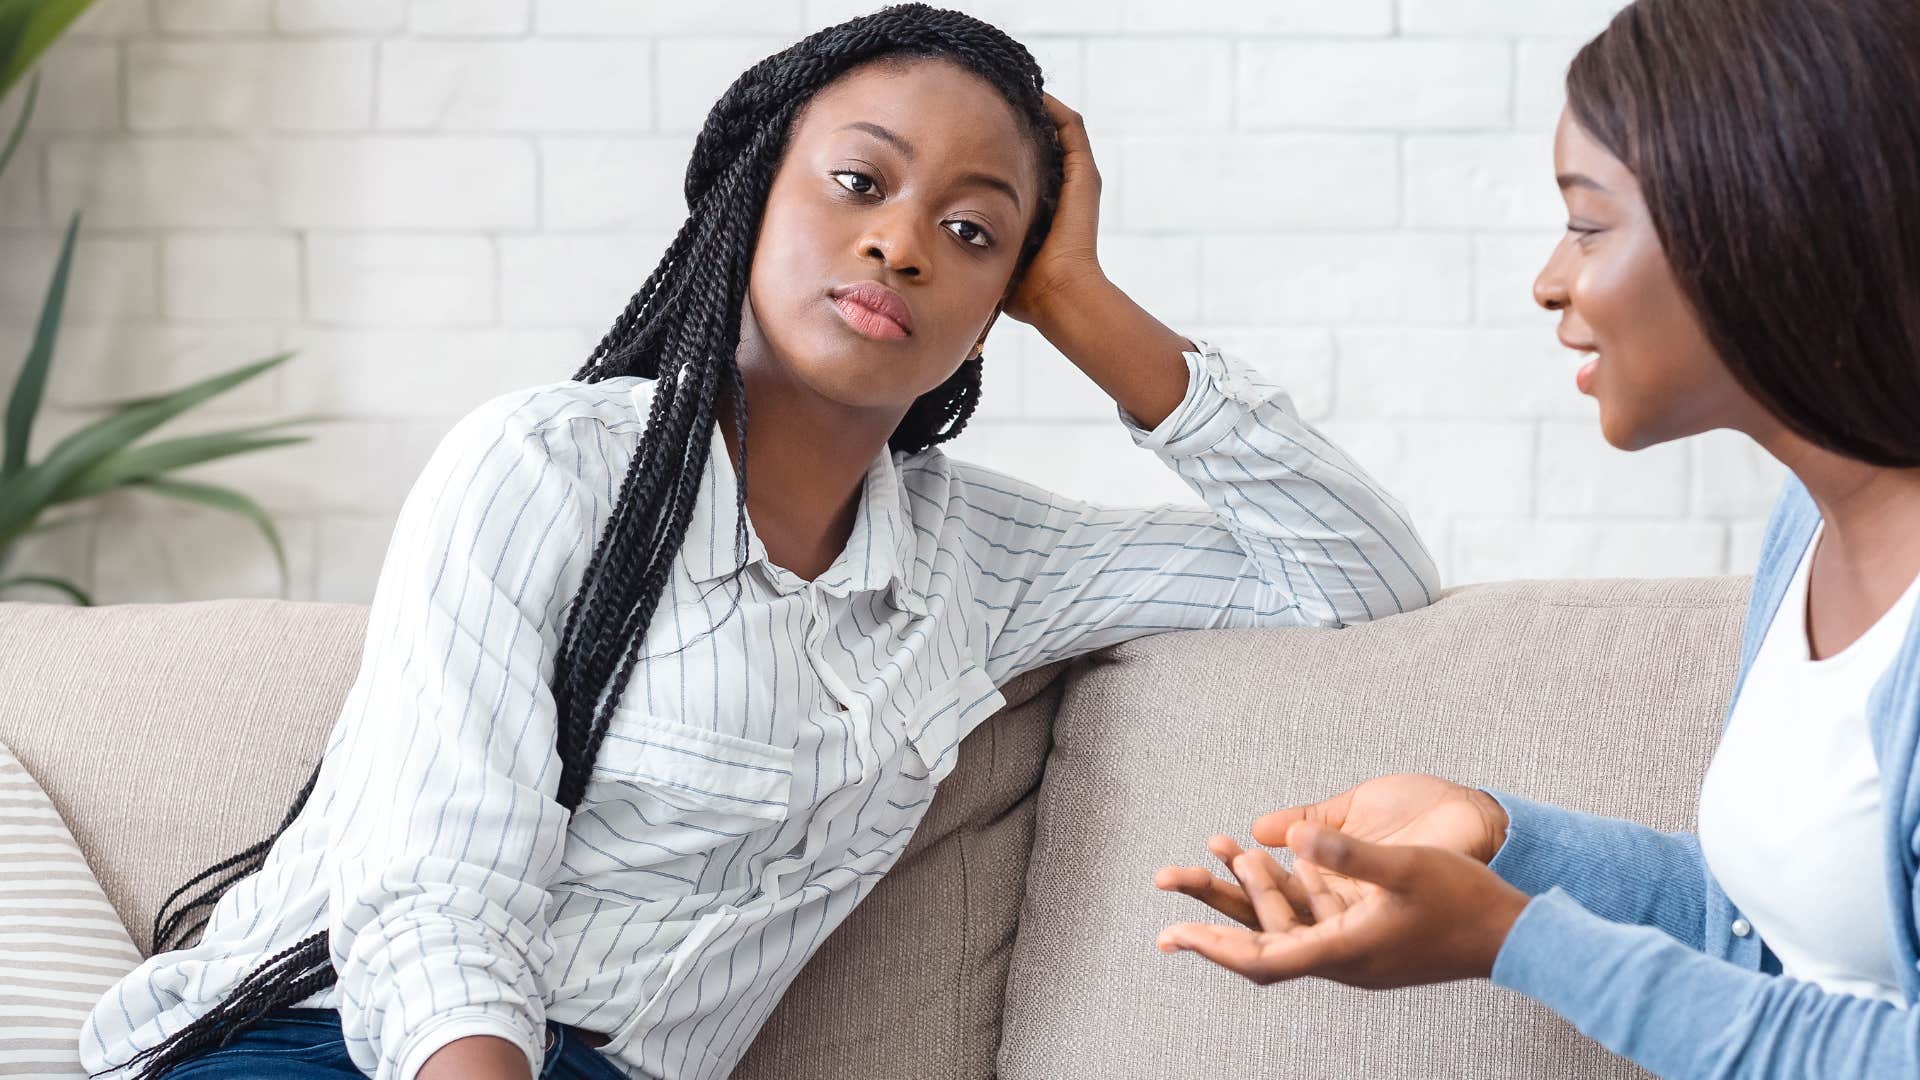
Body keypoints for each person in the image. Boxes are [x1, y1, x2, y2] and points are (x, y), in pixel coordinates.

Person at [85, 5, 1439, 1079]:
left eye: (973, 233)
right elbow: (440, 892)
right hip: (350, 1046)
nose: (901, 244)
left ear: (997, 303)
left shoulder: (978, 565)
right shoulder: (545, 468)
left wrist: (1082, 301)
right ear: (750, 195)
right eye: (859, 181)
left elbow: (1357, 575)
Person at [1153, 0, 1920, 1074]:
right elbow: (1773, 945)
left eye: (1590, 223)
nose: (1550, 279)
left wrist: (1513, 938)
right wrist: (1504, 844)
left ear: (1764, 219)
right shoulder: (1812, 529)